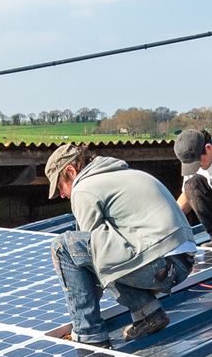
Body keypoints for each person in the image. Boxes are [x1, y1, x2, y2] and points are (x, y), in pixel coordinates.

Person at [43, 142, 196, 345]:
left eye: (60, 186)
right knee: (108, 249)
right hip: (181, 261)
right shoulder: (121, 173)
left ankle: (89, 335)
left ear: (71, 171)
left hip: (160, 264)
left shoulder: (84, 189)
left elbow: (93, 257)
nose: (62, 195)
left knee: (63, 246)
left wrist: (84, 304)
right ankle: (149, 314)